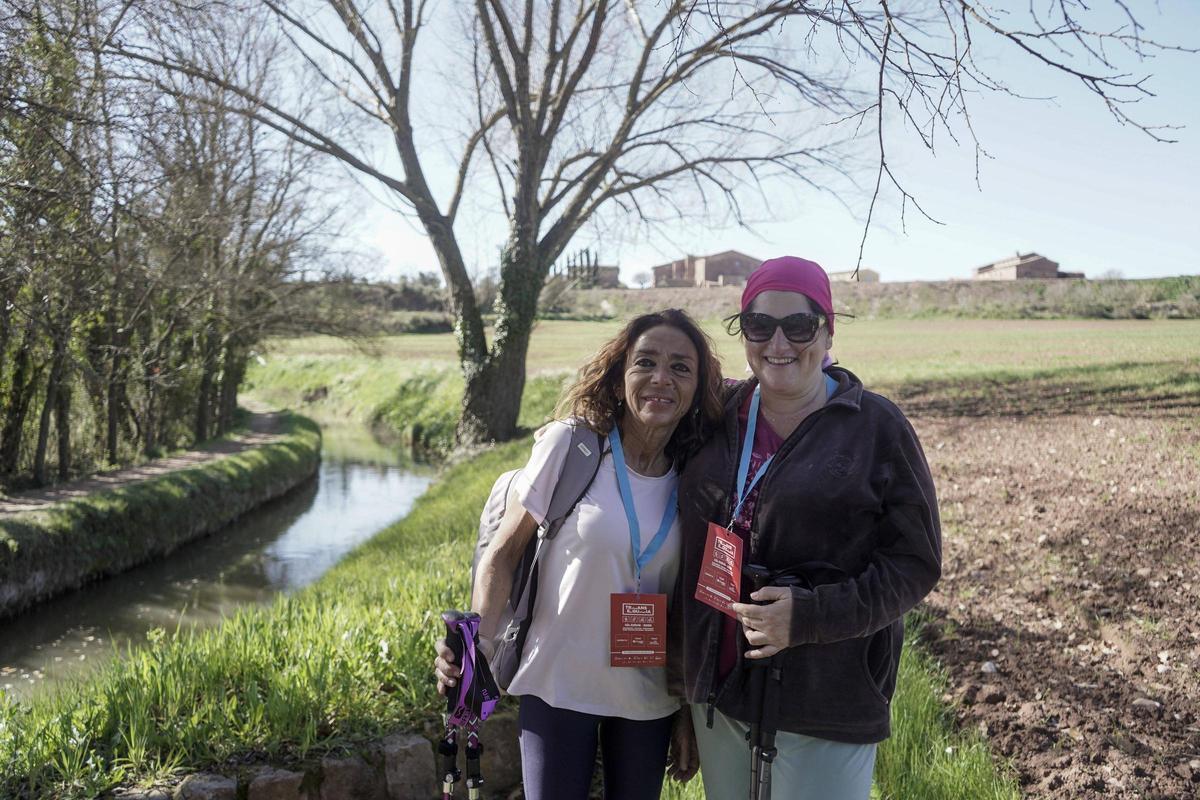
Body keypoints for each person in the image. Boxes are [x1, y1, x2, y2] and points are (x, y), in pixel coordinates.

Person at [670, 256, 942, 799]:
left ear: (828, 329)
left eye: (799, 326)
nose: (779, 343)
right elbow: (637, 420)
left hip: (828, 698)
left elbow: (915, 564)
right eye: (759, 325)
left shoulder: (875, 426)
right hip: (719, 694)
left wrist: (810, 617)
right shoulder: (713, 414)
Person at [435, 309, 723, 800]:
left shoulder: (699, 479)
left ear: (697, 388)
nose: (661, 378)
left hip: (648, 699)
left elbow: (695, 609)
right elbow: (503, 555)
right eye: (645, 363)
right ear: (618, 378)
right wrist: (475, 646)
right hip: (557, 684)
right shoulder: (572, 446)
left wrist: (689, 711)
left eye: (680, 367)